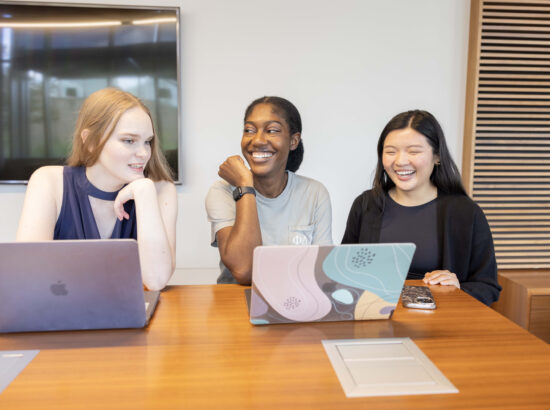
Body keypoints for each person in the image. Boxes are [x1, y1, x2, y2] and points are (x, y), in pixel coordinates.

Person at [16, 88, 177, 291]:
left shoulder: (161, 189)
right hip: (62, 316)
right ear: (91, 141)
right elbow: (28, 274)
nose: (144, 153)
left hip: (131, 318)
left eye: (148, 141)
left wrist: (145, 192)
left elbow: (156, 280)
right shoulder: (48, 180)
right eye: (129, 141)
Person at [341, 110, 501, 305]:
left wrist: (458, 288)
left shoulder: (466, 212)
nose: (400, 161)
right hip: (374, 318)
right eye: (391, 151)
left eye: (414, 151)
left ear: (437, 156)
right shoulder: (366, 204)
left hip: (440, 325)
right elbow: (343, 273)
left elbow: (488, 286)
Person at [205, 96, 332, 285]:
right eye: (249, 130)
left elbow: (320, 272)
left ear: (293, 141)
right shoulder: (223, 191)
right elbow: (245, 270)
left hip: (296, 299)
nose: (257, 140)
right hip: (236, 303)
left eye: (272, 130)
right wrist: (245, 187)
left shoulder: (314, 193)